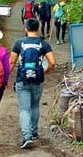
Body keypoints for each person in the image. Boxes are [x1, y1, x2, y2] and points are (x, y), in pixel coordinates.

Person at [10, 18, 56, 149]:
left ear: (26, 29)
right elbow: (52, 62)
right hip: (38, 79)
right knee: (35, 106)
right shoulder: (44, 44)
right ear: (39, 29)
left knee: (24, 109)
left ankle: (27, 136)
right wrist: (45, 71)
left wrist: (5, 76)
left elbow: (11, 62)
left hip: (22, 79)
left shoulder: (19, 43)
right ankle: (34, 132)